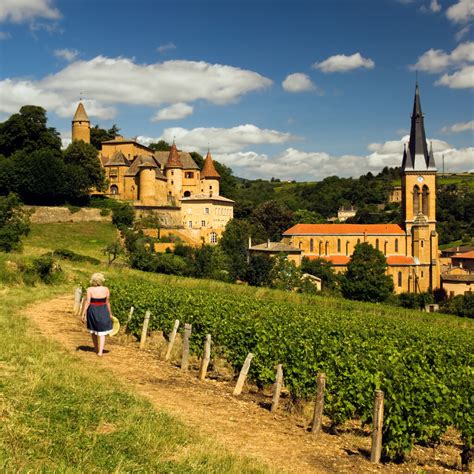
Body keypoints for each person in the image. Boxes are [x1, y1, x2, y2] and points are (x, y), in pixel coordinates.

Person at [81, 272, 113, 356]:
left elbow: (87, 302)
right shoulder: (106, 289)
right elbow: (107, 302)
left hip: (93, 310)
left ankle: (96, 348)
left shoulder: (89, 289)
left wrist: (83, 313)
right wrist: (110, 314)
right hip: (103, 310)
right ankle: (100, 352)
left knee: (93, 331)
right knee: (102, 332)